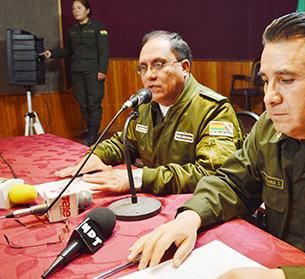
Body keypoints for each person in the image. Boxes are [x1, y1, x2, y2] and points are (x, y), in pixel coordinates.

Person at [126, 13, 305, 279]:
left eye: (286, 80)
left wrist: (283, 278)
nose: (269, 97)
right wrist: (191, 217)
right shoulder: (270, 125)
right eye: (266, 81)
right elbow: (232, 182)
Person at [55, 30, 244, 195]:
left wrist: (139, 178)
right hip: (154, 199)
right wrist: (96, 156)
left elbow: (212, 173)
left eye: (159, 65)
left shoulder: (214, 109)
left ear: (184, 67)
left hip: (192, 208)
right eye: (143, 68)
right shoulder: (146, 103)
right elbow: (124, 143)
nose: (149, 75)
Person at [42, 0, 110, 146]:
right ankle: (92, 131)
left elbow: (104, 50)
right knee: (82, 103)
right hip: (77, 71)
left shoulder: (98, 28)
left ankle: (93, 134)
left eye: (79, 8)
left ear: (87, 10)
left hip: (93, 71)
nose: (76, 11)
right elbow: (68, 50)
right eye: (73, 9)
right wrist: (51, 53)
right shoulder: (72, 30)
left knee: (94, 103)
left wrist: (102, 70)